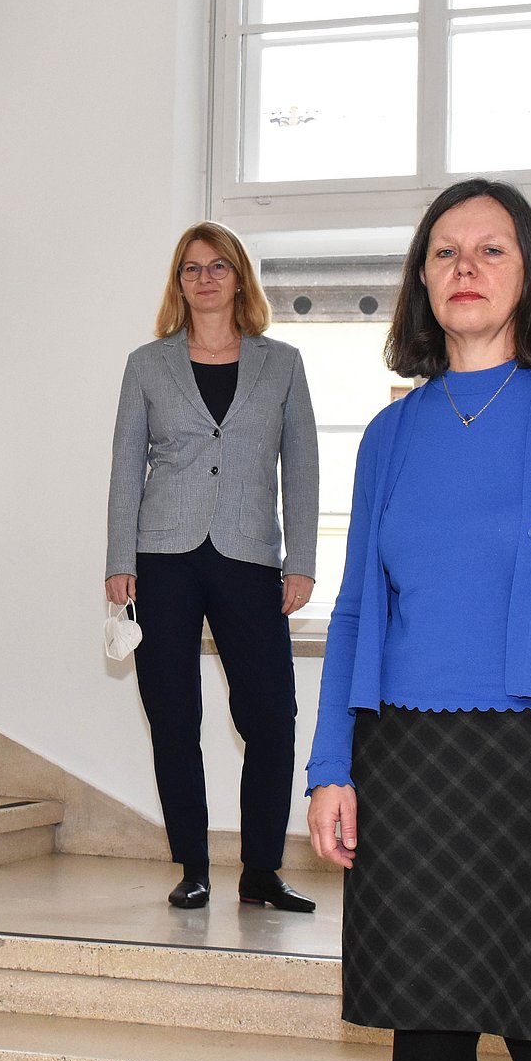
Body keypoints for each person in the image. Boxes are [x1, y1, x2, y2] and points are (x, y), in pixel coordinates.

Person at [306, 179, 531, 1061]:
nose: (467, 267)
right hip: (408, 765)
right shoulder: (389, 435)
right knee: (425, 1038)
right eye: (446, 252)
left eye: (491, 249)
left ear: (529, 272)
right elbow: (355, 611)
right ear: (422, 279)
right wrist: (330, 767)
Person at [106, 221, 319, 912]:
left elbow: (303, 467)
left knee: (272, 715)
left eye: (218, 266)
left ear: (239, 277)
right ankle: (193, 866)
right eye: (191, 268)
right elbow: (125, 467)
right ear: (179, 282)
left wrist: (301, 561)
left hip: (250, 555)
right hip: (162, 556)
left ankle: (261, 871)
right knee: (173, 714)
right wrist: (118, 558)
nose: (204, 278)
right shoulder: (147, 364)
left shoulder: (282, 363)